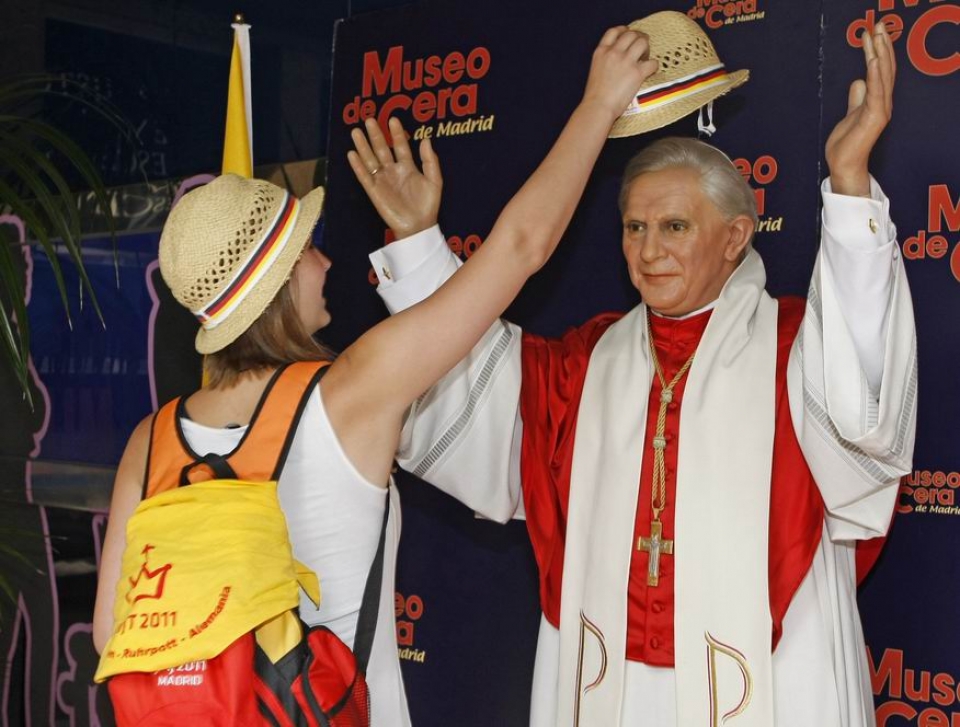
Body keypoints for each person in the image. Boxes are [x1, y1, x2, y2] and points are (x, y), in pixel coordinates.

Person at [91, 26, 658, 726]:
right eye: (307, 251)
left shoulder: (149, 440)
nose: (327, 264)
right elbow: (520, 247)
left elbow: (113, 633)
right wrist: (598, 106)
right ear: (278, 281)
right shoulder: (351, 389)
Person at [363, 21, 916, 727]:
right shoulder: (589, 361)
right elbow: (474, 387)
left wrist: (848, 183)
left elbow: (863, 396)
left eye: (675, 227)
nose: (648, 250)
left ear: (735, 237)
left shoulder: (796, 347)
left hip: (769, 675)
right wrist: (416, 245)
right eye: (633, 227)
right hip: (614, 684)